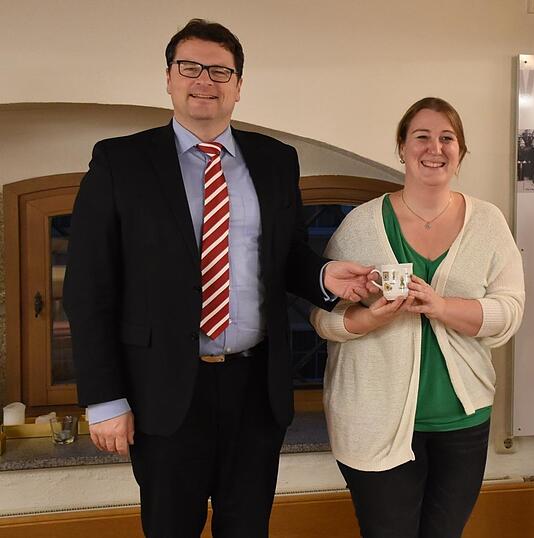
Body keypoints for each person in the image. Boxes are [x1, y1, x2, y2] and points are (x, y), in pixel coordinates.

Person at [62, 19, 372, 537]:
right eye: (191, 67)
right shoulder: (120, 161)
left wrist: (323, 276)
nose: (205, 80)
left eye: (220, 71)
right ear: (168, 78)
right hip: (161, 391)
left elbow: (287, 255)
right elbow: (88, 289)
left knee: (248, 528)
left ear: (239, 85)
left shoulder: (276, 161)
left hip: (257, 389)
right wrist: (104, 398)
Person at [311, 97, 525, 538]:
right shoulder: (361, 223)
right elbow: (322, 318)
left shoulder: (488, 222)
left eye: (447, 138)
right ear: (402, 149)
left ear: (460, 152)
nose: (435, 148)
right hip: (373, 420)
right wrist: (367, 320)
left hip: (462, 423)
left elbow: (509, 314)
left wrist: (441, 307)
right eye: (422, 137)